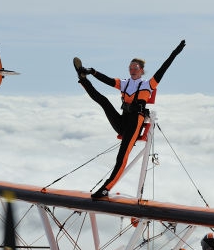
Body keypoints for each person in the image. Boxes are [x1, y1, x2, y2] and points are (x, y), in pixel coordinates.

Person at [74, 39, 185, 199]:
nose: (132, 70)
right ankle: (83, 79)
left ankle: (106, 188)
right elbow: (107, 80)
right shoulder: (124, 84)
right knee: (104, 102)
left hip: (135, 125)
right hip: (122, 122)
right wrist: (92, 71)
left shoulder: (149, 84)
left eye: (136, 68)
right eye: (130, 67)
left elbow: (164, 68)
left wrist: (175, 52)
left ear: (142, 70)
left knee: (122, 157)